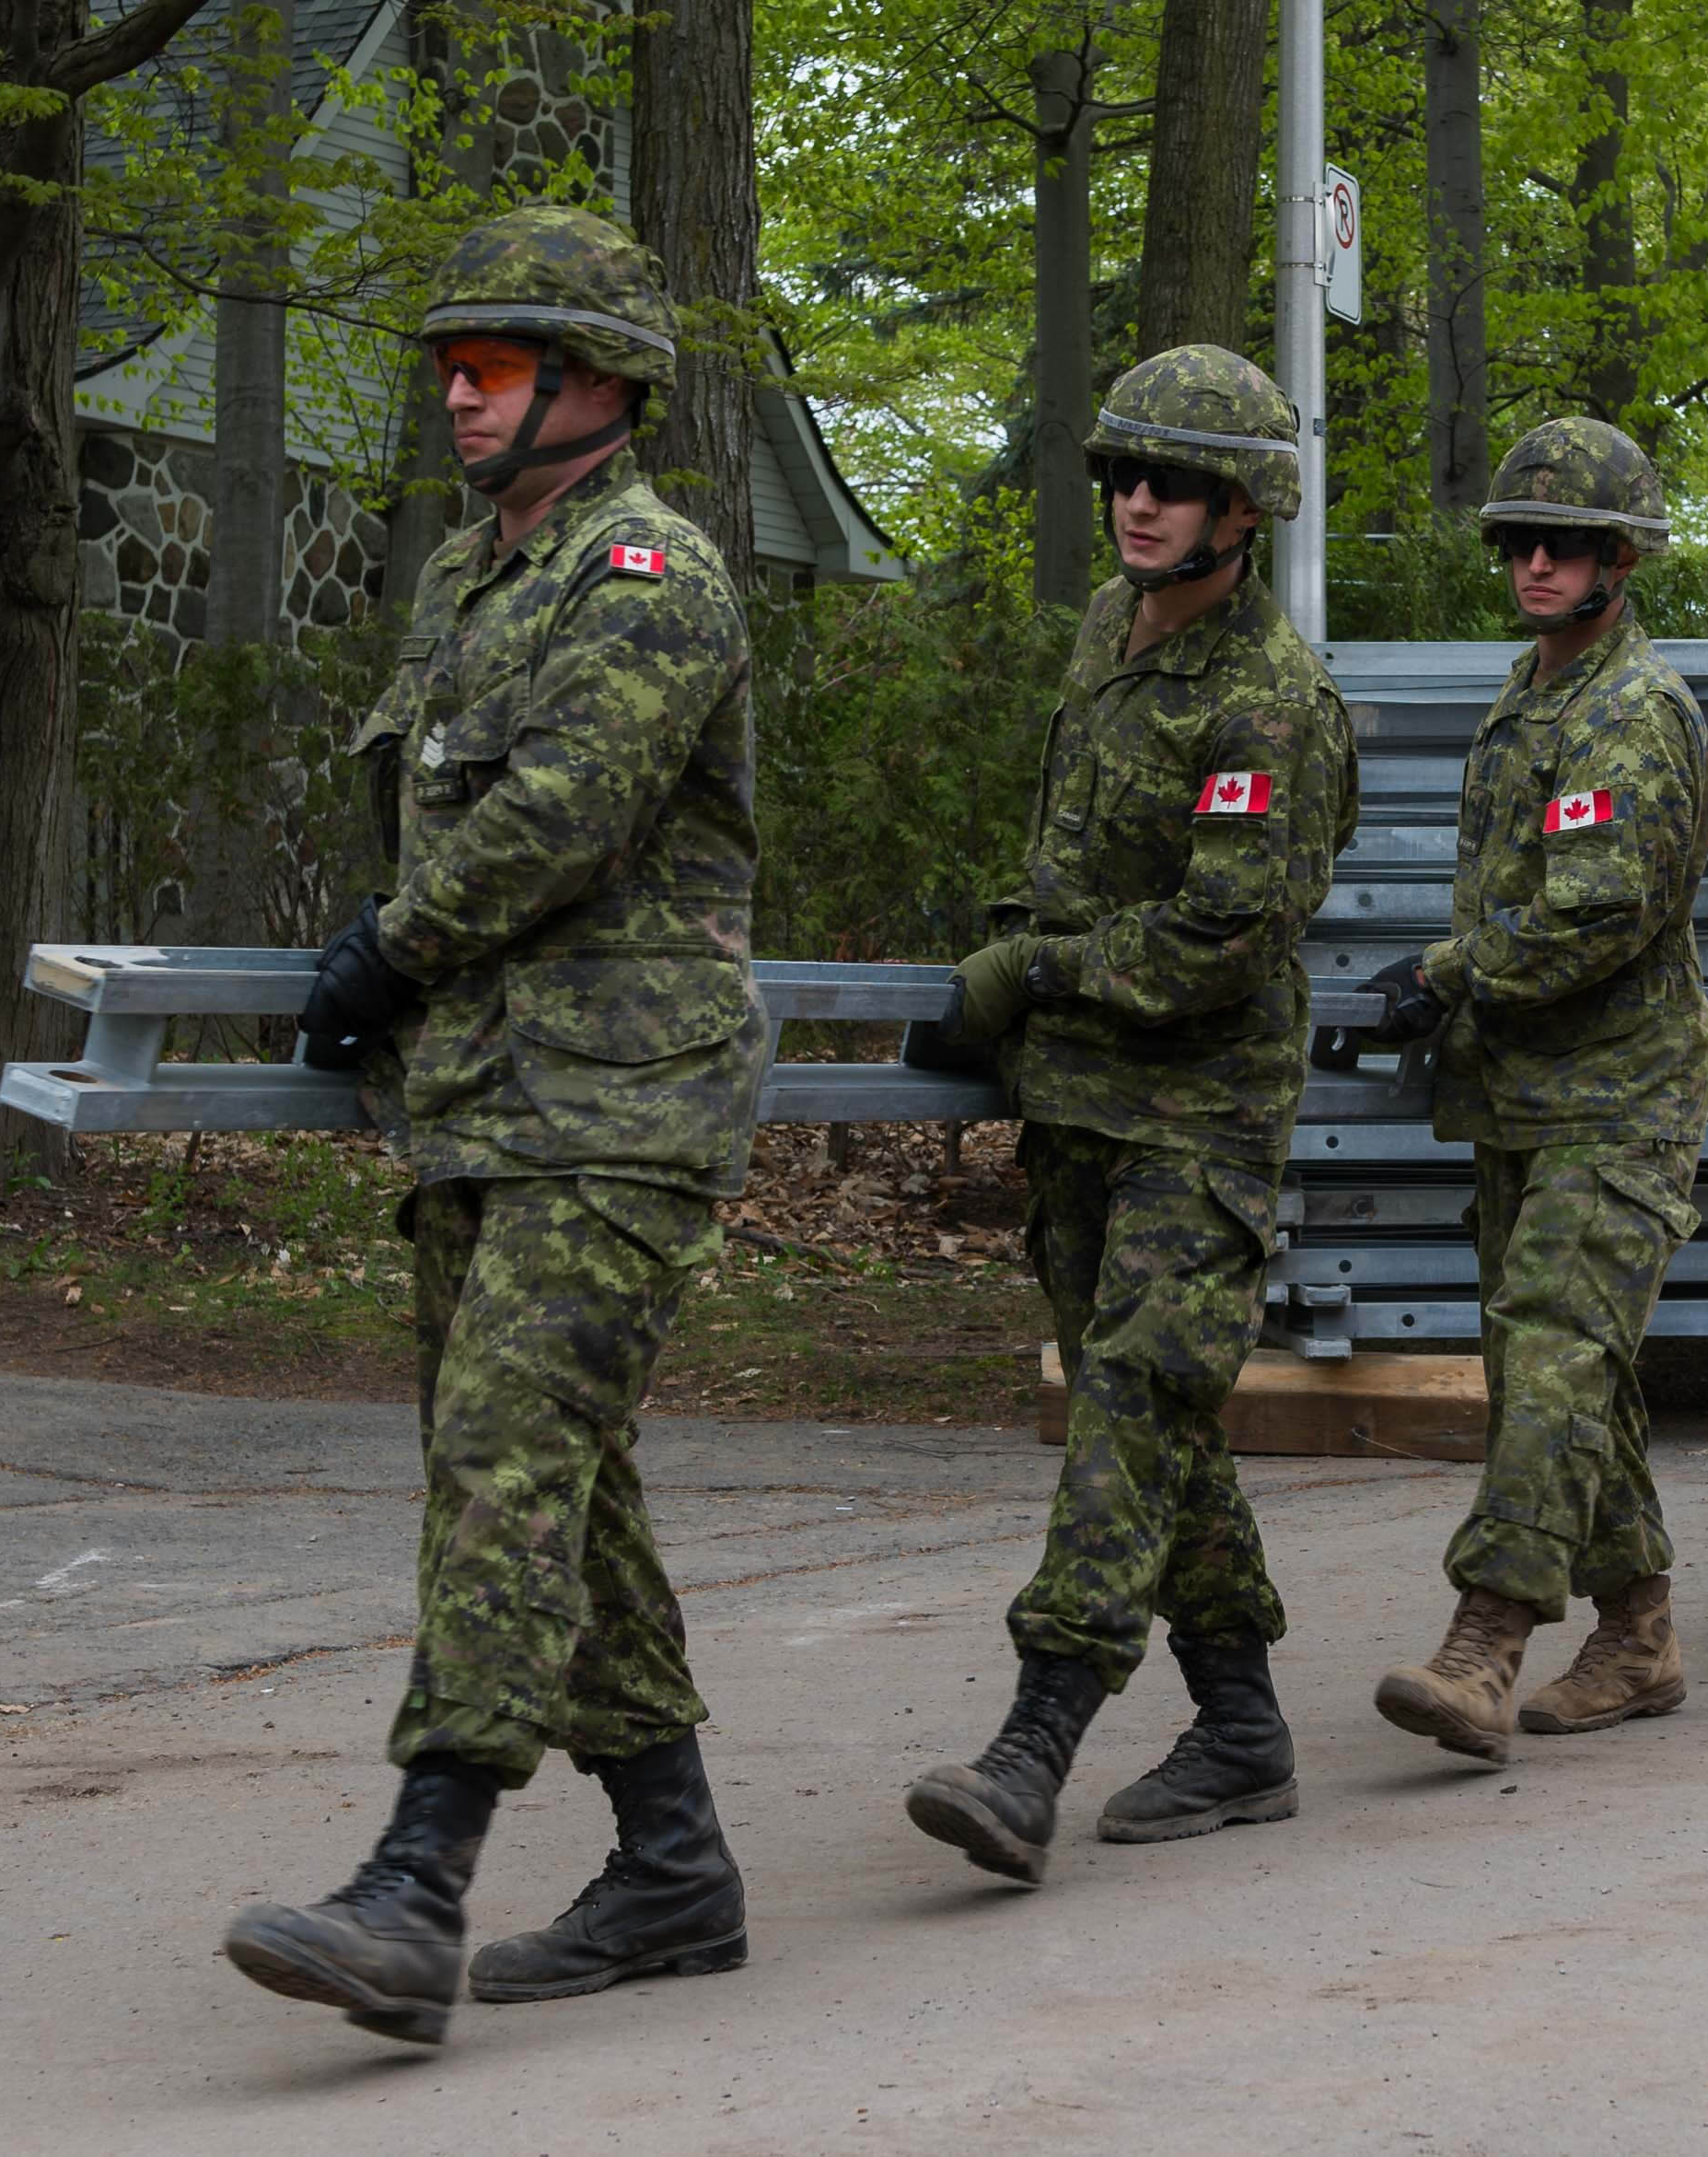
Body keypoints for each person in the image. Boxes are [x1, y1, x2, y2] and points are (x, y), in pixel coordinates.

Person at [220, 204, 764, 2046]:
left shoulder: (646, 573)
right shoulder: (468, 583)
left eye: (496, 364)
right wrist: (388, 981)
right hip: (477, 1107)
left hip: (616, 1109)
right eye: (449, 365)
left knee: (506, 1464)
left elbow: (557, 816)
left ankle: (414, 1879)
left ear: (597, 385)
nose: (456, 392)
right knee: (556, 1490)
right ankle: (674, 1862)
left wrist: (392, 942)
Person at [899, 344, 1361, 1884]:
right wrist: (1006, 953)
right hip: (1083, 1114)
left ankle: (1034, 1739)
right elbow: (1069, 857)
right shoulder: (1108, 634)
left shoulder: (1270, 703)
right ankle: (1239, 1725)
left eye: (1174, 481)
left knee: (1128, 1407)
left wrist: (1031, 969)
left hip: (1199, 1120)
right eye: (1122, 476)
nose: (1139, 502)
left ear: (1247, 509)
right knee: (1158, 1428)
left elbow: (1220, 944)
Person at [1343, 417, 1708, 1764]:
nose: (1534, 562)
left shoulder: (1632, 711)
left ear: (1622, 558)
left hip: (1621, 1095)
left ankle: (1485, 1641)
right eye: (1517, 540)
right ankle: (1639, 1631)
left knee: (1555, 1347)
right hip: (1524, 1093)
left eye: (1563, 543)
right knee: (1557, 1368)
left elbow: (1590, 918)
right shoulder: (1532, 691)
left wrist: (1442, 972)